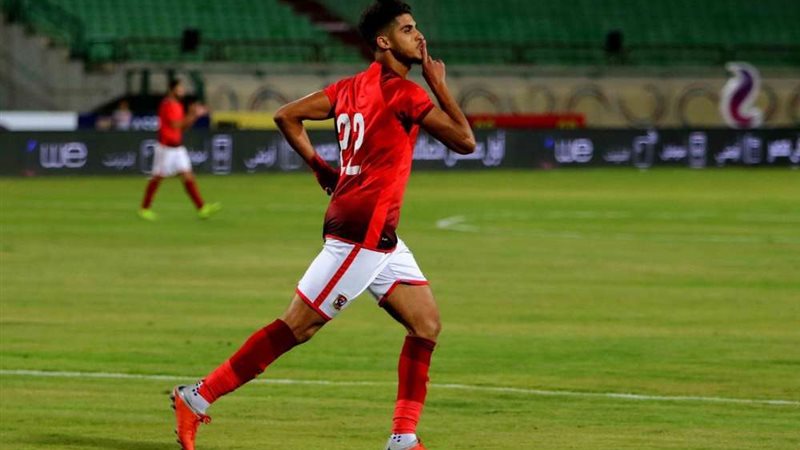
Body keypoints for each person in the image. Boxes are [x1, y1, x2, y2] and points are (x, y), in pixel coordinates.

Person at [170, 1, 475, 449]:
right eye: (408, 29)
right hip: (360, 233)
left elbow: (286, 115)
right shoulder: (405, 93)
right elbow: (466, 141)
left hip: (379, 236)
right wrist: (439, 85)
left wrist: (321, 168)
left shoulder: (349, 88)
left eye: (417, 28)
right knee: (297, 327)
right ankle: (196, 397)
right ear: (384, 41)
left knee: (426, 323)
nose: (419, 36)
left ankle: (403, 437)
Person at [138, 79, 220, 221]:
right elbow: (175, 125)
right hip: (166, 148)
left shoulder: (178, 105)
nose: (182, 90)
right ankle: (144, 208)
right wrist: (193, 114)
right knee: (157, 177)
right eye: (180, 88)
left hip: (177, 148)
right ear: (172, 90)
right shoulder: (167, 105)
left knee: (188, 176)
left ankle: (202, 208)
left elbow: (182, 127)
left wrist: (194, 115)